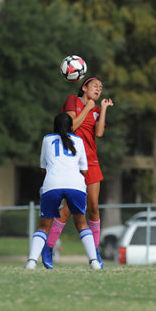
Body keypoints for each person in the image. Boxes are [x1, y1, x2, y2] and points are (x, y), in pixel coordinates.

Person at [41, 76, 113, 269]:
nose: (98, 89)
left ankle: (94, 252)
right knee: (67, 210)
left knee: (94, 207)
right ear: (84, 87)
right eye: (95, 86)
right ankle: (48, 247)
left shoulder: (96, 110)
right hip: (72, 161)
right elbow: (71, 126)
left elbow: (99, 133)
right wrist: (87, 108)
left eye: (101, 88)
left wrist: (103, 109)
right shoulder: (73, 100)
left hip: (92, 161)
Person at [25, 114, 101, 270]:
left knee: (43, 226)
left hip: (52, 184)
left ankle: (31, 262)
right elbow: (84, 170)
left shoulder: (47, 139)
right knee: (82, 223)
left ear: (54, 126)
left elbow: (43, 167)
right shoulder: (78, 141)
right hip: (76, 185)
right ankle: (94, 262)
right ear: (72, 127)